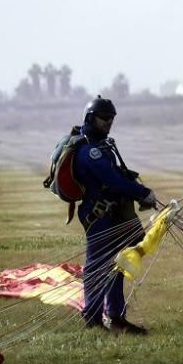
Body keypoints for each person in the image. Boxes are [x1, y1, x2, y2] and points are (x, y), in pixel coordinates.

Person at [74, 96, 157, 334]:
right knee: (97, 266)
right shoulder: (89, 152)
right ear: (90, 118)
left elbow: (117, 178)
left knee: (116, 265)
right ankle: (92, 318)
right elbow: (112, 181)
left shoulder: (102, 147)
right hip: (98, 216)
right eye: (104, 119)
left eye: (111, 119)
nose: (108, 123)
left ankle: (115, 316)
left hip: (113, 214)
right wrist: (142, 192)